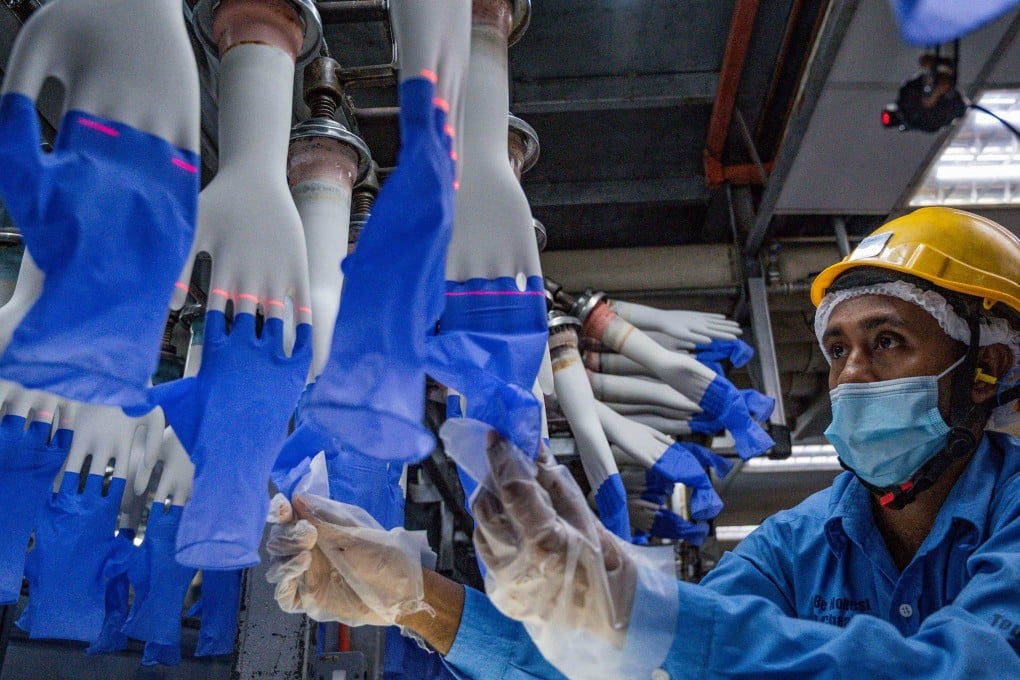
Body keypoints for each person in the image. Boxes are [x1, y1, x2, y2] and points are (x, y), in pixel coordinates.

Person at [265, 206, 1020, 679]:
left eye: (887, 343)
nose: (851, 376)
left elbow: (973, 668)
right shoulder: (798, 543)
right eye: (840, 351)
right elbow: (639, 669)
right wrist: (413, 598)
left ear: (986, 367)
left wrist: (633, 608)